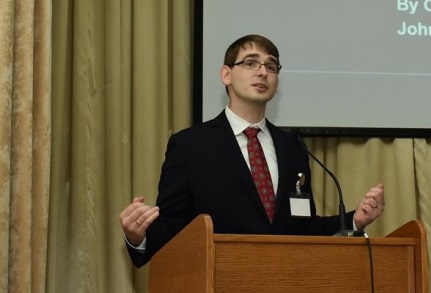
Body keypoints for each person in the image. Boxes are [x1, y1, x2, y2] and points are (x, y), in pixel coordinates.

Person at [119, 34, 385, 267]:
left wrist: (355, 220)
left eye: (271, 66)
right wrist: (138, 237)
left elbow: (302, 226)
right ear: (226, 75)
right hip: (219, 278)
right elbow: (173, 226)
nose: (263, 72)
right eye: (250, 63)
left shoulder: (293, 147)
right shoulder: (190, 145)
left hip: (286, 278)